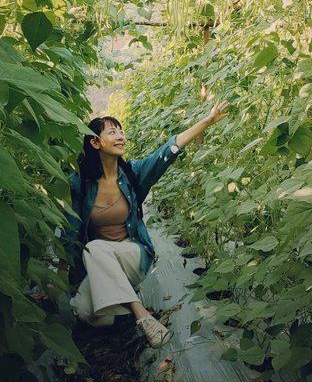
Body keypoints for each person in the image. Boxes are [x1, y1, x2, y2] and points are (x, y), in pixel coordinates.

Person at [64, 101, 229, 349]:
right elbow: (70, 230)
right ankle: (120, 299)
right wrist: (56, 278)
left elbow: (169, 149)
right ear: (95, 142)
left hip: (132, 255)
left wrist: (207, 120)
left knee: (94, 248)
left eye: (121, 131)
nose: (121, 137)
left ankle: (142, 316)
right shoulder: (80, 182)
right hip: (100, 263)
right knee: (88, 313)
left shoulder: (133, 173)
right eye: (112, 132)